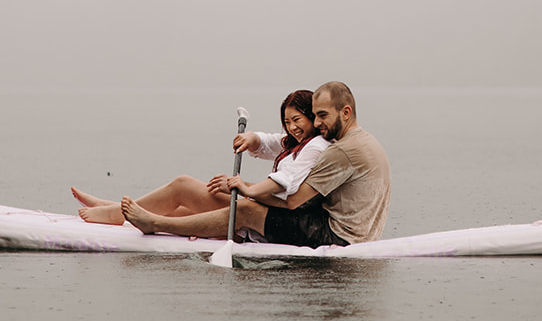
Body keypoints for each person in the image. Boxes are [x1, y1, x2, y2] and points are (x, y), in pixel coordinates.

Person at [120, 81, 391, 247]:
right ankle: (128, 215)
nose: (318, 124)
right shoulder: (360, 140)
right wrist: (254, 141)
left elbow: (293, 201)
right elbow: (280, 143)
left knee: (247, 210)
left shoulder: (341, 150)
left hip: (337, 237)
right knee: (223, 200)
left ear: (346, 112)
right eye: (316, 116)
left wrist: (245, 189)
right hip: (352, 230)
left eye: (321, 116)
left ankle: (155, 223)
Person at [70, 90, 326, 225]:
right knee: (181, 210)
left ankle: (113, 213)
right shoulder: (297, 142)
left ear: (312, 118)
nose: (291, 127)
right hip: (262, 203)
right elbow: (270, 142)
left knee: (182, 186)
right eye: (286, 121)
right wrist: (252, 139)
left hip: (269, 215)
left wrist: (244, 187)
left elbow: (285, 181)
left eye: (297, 120)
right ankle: (111, 207)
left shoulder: (315, 147)